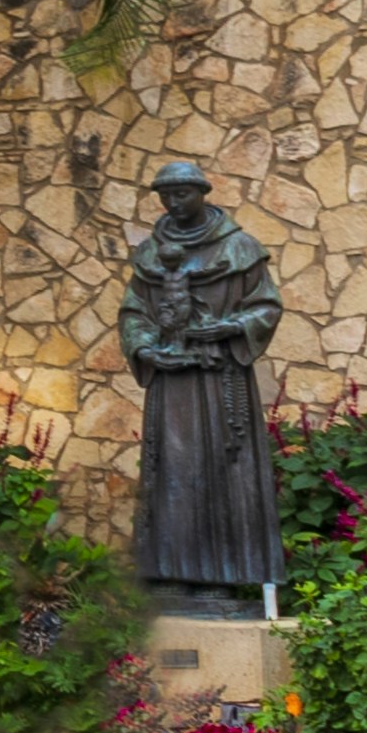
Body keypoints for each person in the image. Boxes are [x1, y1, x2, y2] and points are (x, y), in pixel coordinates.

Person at [119, 158, 282, 609]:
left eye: (182, 193)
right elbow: (135, 311)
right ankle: (168, 570)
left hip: (218, 379)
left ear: (202, 192)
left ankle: (219, 578)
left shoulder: (240, 248)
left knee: (219, 469)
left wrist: (229, 329)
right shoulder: (151, 254)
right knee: (169, 470)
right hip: (171, 384)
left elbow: (266, 306)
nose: (173, 202)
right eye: (165, 195)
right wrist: (145, 347)